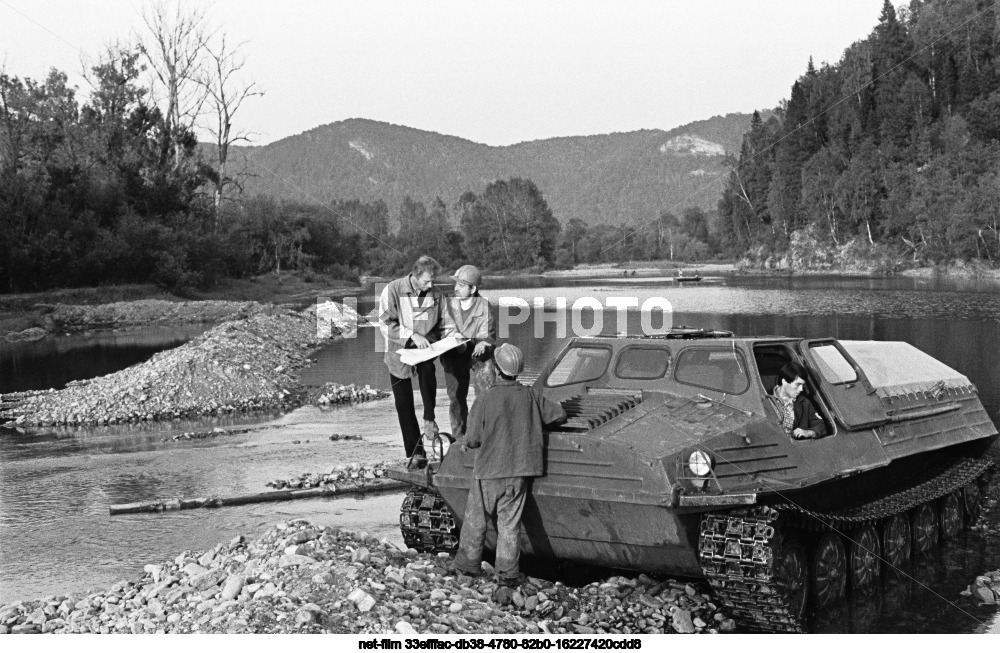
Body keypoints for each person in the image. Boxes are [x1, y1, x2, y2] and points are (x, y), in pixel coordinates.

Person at [452, 343, 567, 586]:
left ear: (496, 368)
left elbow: (472, 439)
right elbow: (559, 415)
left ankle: (467, 568)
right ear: (519, 370)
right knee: (510, 525)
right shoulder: (531, 395)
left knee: (476, 521)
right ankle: (507, 574)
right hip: (519, 473)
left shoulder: (485, 398)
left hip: (488, 472)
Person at [378, 255, 446, 467]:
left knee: (428, 377)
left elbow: (446, 322)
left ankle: (429, 419)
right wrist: (410, 335)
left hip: (425, 350)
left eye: (433, 280)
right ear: (415, 276)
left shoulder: (437, 294)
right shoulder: (392, 289)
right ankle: (417, 452)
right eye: (426, 281)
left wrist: (451, 338)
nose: (431, 285)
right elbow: (385, 323)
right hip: (398, 351)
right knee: (403, 403)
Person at [440, 264, 498, 440]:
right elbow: (438, 328)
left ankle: (485, 435)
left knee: (486, 392)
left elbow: (489, 333)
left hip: (478, 354)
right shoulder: (446, 303)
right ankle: (459, 438)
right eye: (455, 284)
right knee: (456, 397)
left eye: (461, 285)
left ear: (472, 289)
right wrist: (451, 337)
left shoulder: (484, 306)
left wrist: (483, 342)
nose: (456, 288)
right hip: (453, 353)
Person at [770, 362, 827, 439]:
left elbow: (820, 426)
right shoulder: (765, 400)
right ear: (784, 382)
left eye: (802, 385)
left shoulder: (804, 403)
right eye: (797, 384)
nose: (801, 389)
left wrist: (809, 432)